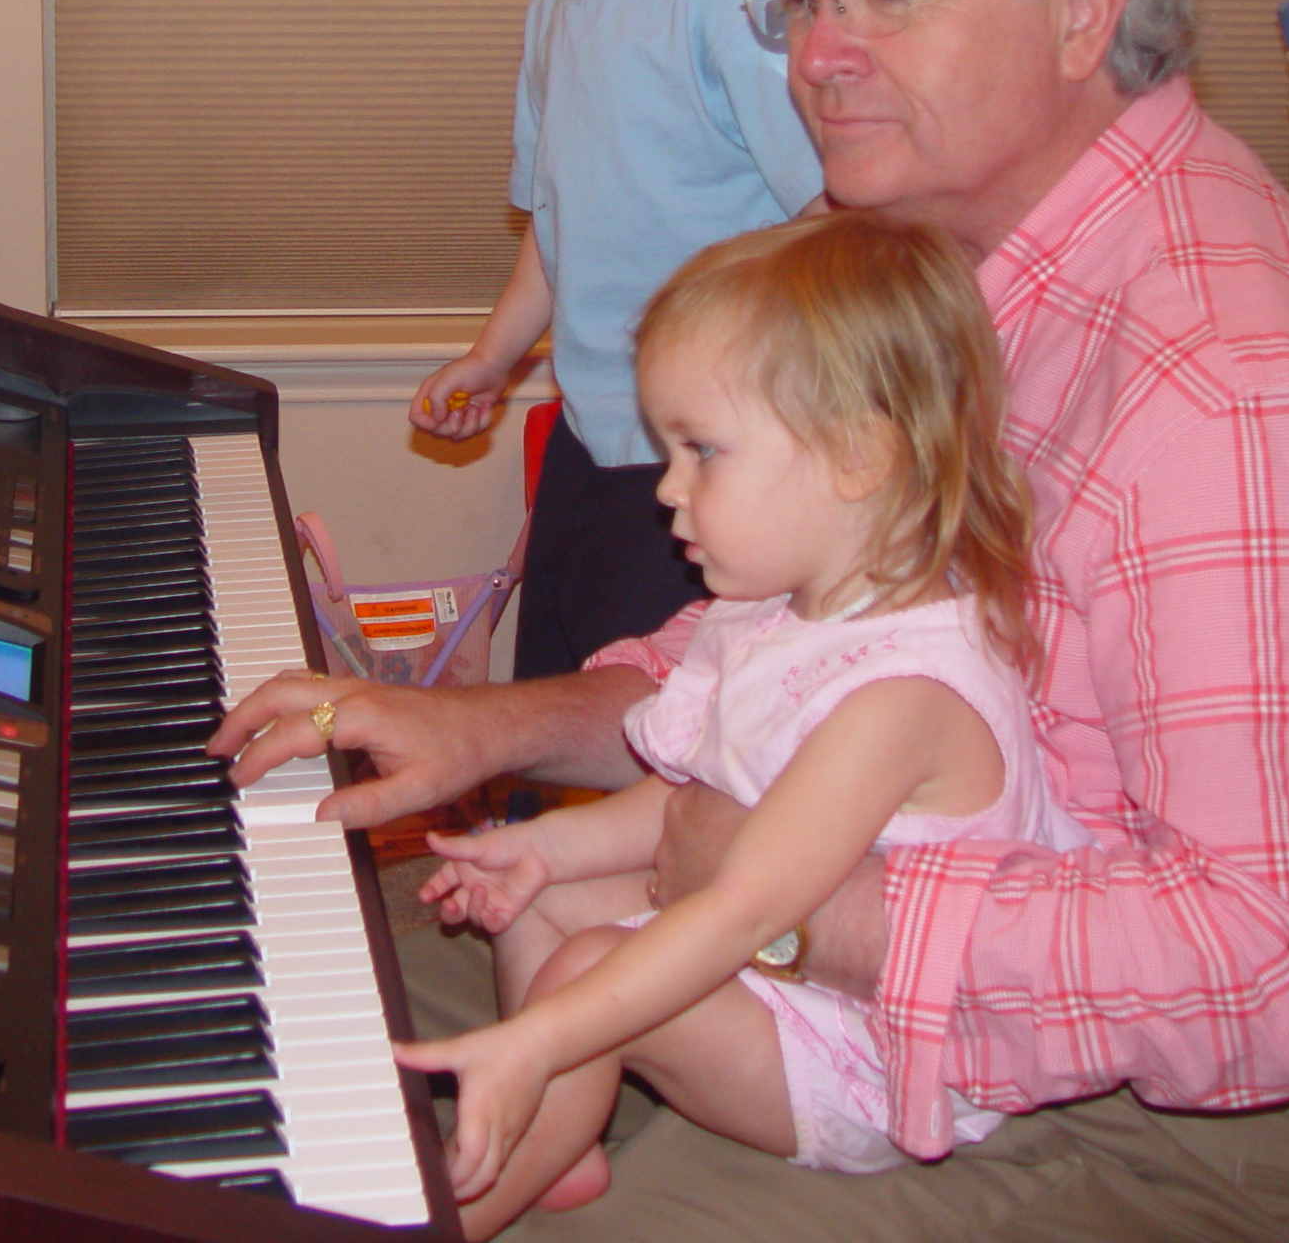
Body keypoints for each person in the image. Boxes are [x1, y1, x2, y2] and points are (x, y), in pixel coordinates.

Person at [213, 0, 1289, 1240]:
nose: (823, 55)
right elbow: (757, 664)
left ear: (1086, 11)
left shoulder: (1232, 390)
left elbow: (1279, 975)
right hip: (803, 939)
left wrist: (777, 900)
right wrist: (475, 732)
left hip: (1119, 1125)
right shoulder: (933, 270)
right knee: (272, 967)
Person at [398, 213, 1090, 1238]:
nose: (667, 490)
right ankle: (562, 1142)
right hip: (773, 960)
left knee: (586, 973)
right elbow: (690, 800)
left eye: (701, 451)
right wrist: (538, 849)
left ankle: (461, 1211)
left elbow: (736, 908)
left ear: (858, 456)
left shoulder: (904, 694)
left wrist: (541, 1035)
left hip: (866, 1051)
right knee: (547, 909)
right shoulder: (770, 609)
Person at [408, 0, 823, 677]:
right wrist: (497, 355)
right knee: (554, 683)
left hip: (717, 444)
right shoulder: (555, 5)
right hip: (594, 430)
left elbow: (829, 215)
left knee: (667, 717)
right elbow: (558, 219)